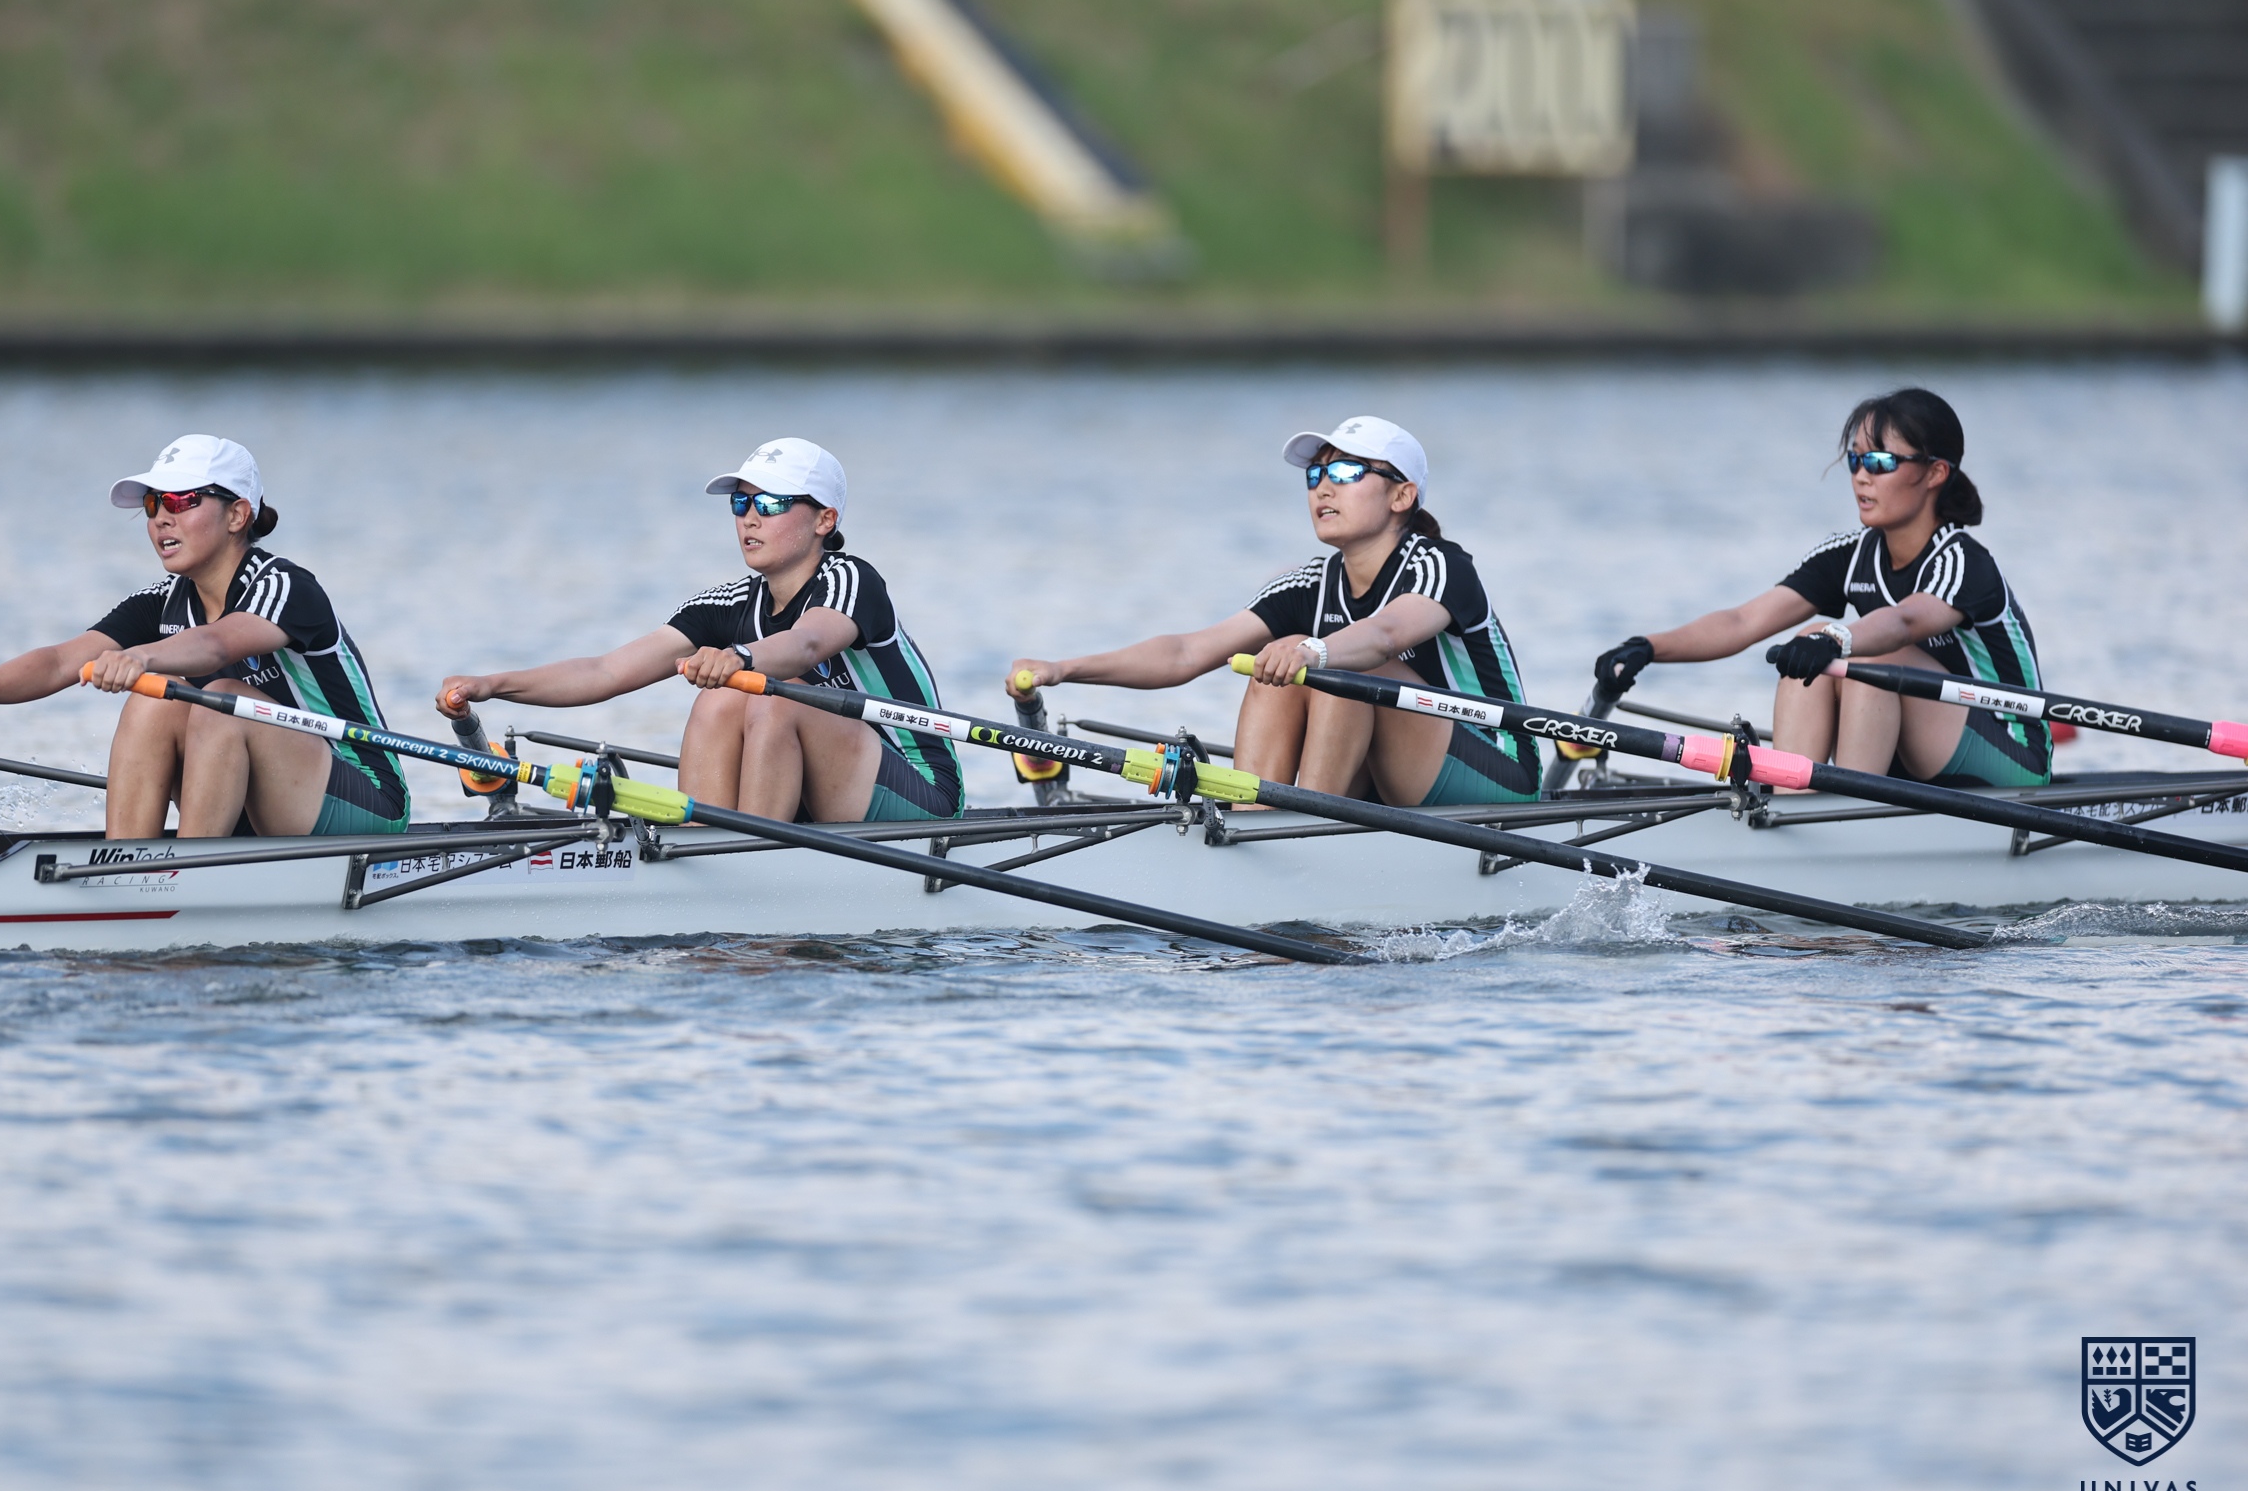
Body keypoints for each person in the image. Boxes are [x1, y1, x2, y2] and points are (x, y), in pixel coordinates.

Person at [0, 435, 409, 839]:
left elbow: (216, 644)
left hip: (363, 796)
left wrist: (140, 657)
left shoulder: (286, 586)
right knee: (153, 702)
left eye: (182, 500)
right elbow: (57, 663)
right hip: (259, 797)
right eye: (153, 503)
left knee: (221, 701)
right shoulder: (161, 601)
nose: (162, 517)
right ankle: (130, 869)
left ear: (237, 514)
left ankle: (186, 882)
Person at [1005, 416, 1539, 807]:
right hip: (1394, 770)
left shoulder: (1441, 564)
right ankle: (1257, 824)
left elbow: (1385, 634)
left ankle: (1305, 829)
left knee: (1343, 664)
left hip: (1498, 771)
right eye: (1314, 475)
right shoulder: (1310, 583)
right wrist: (1064, 669)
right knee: (1274, 667)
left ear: (1402, 496)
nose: (1323, 486)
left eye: (1347, 471)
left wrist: (1313, 650)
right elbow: (1187, 652)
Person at [437, 438, 963, 824]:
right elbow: (605, 671)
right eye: (741, 503)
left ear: (824, 520)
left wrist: (741, 658)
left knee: (777, 698)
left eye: (771, 504)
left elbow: (807, 643)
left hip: (921, 792)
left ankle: (746, 864)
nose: (749, 518)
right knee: (719, 700)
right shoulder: (726, 605)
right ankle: (705, 847)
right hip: (819, 784)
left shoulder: (851, 579)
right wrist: (493, 684)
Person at [1590, 387, 2049, 787]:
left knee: (1862, 654)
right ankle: (1795, 806)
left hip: (2011, 752)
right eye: (1855, 459)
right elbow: (1743, 621)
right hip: (1916, 747)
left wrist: (1836, 638)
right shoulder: (1848, 555)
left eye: (1881, 461)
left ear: (1935, 473)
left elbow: (1905, 621)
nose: (1862, 476)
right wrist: (1648, 647)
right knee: (1811, 647)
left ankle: (1848, 813)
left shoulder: (1962, 561)